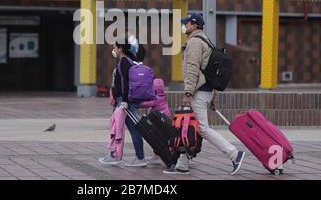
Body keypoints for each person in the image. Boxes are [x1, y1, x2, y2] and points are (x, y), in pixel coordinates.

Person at [163, 12, 245, 175]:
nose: (184, 26)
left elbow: (193, 68)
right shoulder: (206, 40)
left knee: (201, 128)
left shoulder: (194, 42)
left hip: (197, 92)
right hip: (205, 91)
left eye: (186, 23)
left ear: (194, 25)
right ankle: (182, 164)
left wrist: (187, 93)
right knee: (188, 125)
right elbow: (209, 71)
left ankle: (234, 154)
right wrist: (212, 96)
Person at [99, 41, 148, 167]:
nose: (113, 49)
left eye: (115, 47)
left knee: (120, 128)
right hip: (122, 100)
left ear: (120, 48)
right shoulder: (125, 61)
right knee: (126, 128)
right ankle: (134, 157)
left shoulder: (124, 62)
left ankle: (119, 156)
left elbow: (126, 83)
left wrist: (124, 101)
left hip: (125, 101)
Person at [140, 78, 171, 164]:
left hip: (161, 120)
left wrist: (139, 104)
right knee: (159, 137)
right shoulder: (162, 96)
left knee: (158, 138)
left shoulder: (157, 98)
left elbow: (148, 104)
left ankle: (160, 154)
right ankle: (157, 154)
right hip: (163, 119)